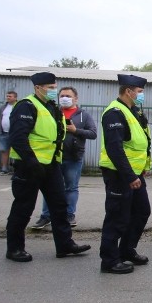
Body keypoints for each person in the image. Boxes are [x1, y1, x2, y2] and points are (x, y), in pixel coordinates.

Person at [5, 72, 91, 263]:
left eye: (54, 87)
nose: (54, 91)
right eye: (50, 88)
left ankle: (64, 244)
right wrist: (31, 161)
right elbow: (18, 138)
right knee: (23, 207)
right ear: (38, 88)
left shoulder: (52, 107)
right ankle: (15, 248)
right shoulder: (26, 106)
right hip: (29, 166)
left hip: (51, 165)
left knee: (59, 206)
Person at [98, 74, 152, 274]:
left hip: (135, 173)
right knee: (117, 217)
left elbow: (141, 142)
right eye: (139, 92)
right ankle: (110, 260)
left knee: (141, 211)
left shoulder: (134, 111)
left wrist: (143, 166)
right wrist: (130, 176)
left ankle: (127, 250)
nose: (142, 95)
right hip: (119, 174)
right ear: (128, 92)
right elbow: (115, 149)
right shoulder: (115, 112)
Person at [32, 87, 97, 229]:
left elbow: (93, 133)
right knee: (49, 188)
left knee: (71, 187)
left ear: (76, 98)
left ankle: (69, 215)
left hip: (73, 157)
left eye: (68, 95)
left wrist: (76, 131)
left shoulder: (83, 115)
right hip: (53, 157)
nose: (64, 98)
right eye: (62, 95)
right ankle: (46, 216)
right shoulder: (52, 112)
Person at [0, 91, 18, 175]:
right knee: (4, 150)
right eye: (7, 96)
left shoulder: (19, 106)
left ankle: (16, 168)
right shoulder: (3, 107)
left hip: (15, 133)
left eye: (10, 96)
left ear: (15, 98)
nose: (8, 97)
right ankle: (4, 168)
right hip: (4, 132)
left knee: (16, 151)